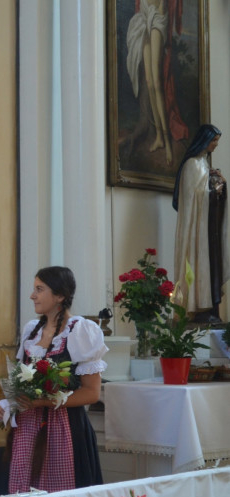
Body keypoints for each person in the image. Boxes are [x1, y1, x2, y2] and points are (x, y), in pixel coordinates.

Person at [0, 266, 106, 494]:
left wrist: (44, 401)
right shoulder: (32, 331)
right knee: (24, 495)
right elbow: (21, 381)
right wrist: (9, 404)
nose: (32, 295)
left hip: (64, 429)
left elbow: (91, 393)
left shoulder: (81, 331)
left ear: (60, 296)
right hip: (27, 429)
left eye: (39, 289)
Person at [173, 124, 228, 322]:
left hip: (209, 228)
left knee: (212, 266)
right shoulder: (192, 165)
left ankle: (211, 309)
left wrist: (221, 186)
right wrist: (213, 191)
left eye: (217, 141)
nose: (215, 145)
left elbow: (206, 191)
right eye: (213, 141)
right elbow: (192, 197)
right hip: (197, 231)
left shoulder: (204, 164)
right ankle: (198, 308)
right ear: (204, 141)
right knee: (198, 265)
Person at [125, 0, 187, 165]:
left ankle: (167, 142)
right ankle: (159, 136)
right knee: (149, 82)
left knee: (157, 83)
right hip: (145, 13)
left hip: (158, 14)